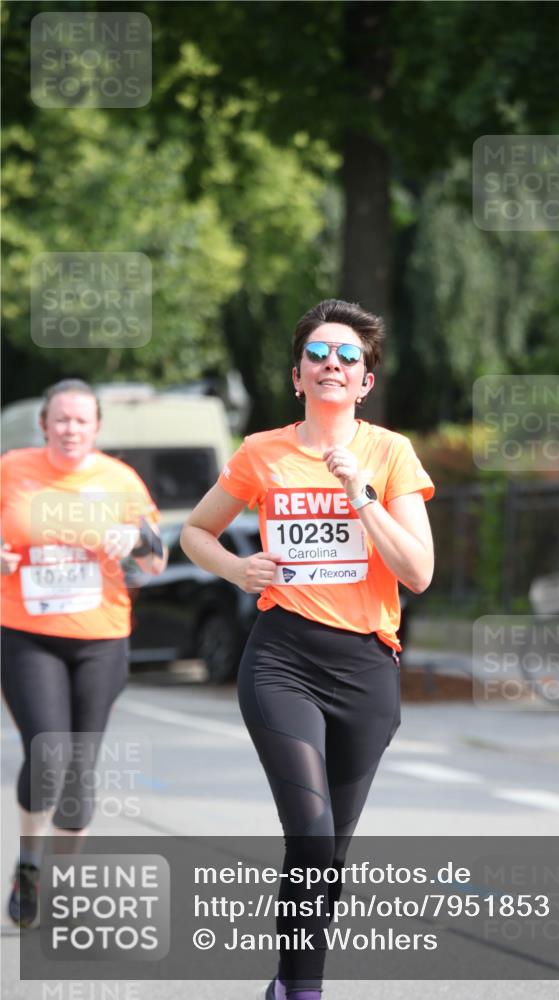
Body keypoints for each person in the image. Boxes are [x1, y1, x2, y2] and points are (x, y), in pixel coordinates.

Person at [181, 299, 434, 999]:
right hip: (281, 658)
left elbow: (417, 572)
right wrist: (236, 568)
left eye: (347, 357)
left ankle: (287, 980)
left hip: (364, 666)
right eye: (318, 355)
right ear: (297, 376)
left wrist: (361, 495)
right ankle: (305, 993)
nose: (332, 364)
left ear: (364, 382)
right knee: (312, 838)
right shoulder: (262, 452)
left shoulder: (389, 454)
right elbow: (196, 532)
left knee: (327, 855)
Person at [1, 379, 167, 927]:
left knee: (80, 767)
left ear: (96, 428)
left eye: (81, 421)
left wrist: (134, 540)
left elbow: (158, 556)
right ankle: (29, 864)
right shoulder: (12, 470)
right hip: (27, 633)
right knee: (48, 754)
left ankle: (62, 882)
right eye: (61, 420)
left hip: (101, 637)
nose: (71, 429)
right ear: (44, 424)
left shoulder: (120, 480)